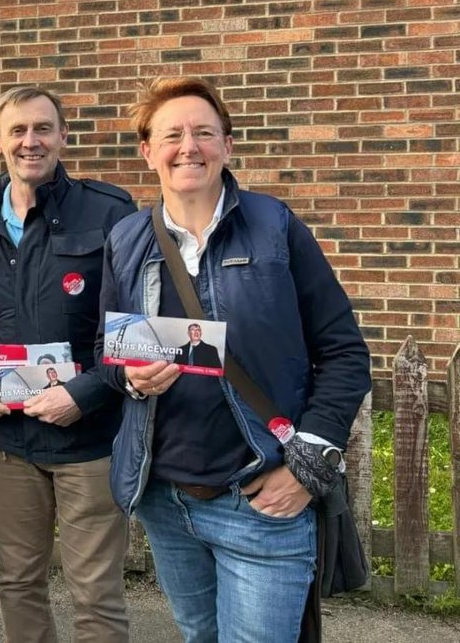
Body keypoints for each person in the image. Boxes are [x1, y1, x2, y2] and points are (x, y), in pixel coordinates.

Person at [97, 76, 371, 643]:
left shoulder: (275, 228)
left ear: (227, 145)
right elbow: (108, 356)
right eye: (171, 134)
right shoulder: (126, 241)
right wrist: (130, 378)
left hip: (261, 498)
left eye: (203, 132)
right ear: (148, 151)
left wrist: (306, 466)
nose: (188, 146)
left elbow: (344, 353)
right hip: (166, 500)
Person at [0, 87, 136, 643]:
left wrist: (84, 394)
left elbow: (132, 331)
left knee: (95, 595)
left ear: (61, 136)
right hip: (10, 441)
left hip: (88, 438)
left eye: (42, 129)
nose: (30, 141)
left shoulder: (109, 212)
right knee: (19, 582)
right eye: (17, 131)